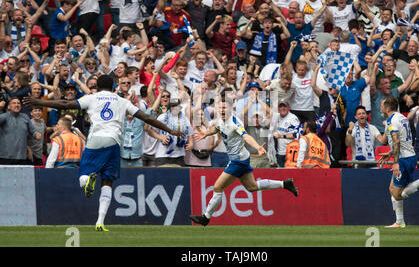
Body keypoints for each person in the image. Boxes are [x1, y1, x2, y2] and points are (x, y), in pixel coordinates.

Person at [23, 75, 184, 232]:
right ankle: (100, 221)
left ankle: (87, 181)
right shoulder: (122, 101)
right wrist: (169, 130)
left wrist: (38, 101)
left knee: (83, 177)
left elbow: (65, 103)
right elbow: (147, 117)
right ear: (113, 87)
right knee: (107, 181)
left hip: (94, 140)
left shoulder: (92, 97)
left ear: (98, 87)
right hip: (113, 142)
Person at [189, 98, 299, 226]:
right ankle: (285, 184)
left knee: (217, 187)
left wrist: (258, 147)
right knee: (252, 187)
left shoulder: (235, 123)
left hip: (238, 160)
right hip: (243, 158)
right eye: (221, 107)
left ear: (231, 109)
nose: (222, 110)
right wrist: (206, 134)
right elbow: (216, 129)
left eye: (225, 108)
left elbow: (246, 136)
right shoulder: (220, 121)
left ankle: (206, 217)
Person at [377, 95, 419, 228]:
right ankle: (399, 221)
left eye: (382, 105)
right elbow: (401, 140)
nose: (380, 107)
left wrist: (395, 163)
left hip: (403, 159)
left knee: (397, 194)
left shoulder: (392, 120)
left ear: (387, 107)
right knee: (392, 188)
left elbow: (396, 141)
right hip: (408, 156)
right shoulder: (402, 117)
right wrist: (390, 152)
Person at [0, 97, 42, 164]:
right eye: (14, 103)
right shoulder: (4, 116)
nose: (17, 105)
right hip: (5, 157)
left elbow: (33, 130)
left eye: (18, 103)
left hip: (21, 157)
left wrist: (36, 134)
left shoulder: (25, 117)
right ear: (8, 107)